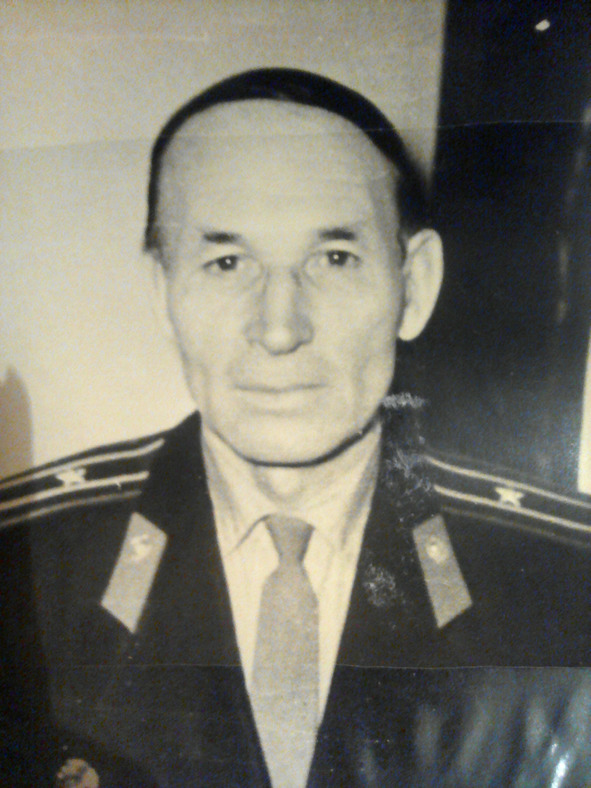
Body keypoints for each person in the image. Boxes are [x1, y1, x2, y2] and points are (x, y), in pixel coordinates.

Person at [1, 68, 591, 788]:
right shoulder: (23, 566)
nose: (279, 328)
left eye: (333, 259)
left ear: (414, 286)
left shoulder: (567, 581)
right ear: (164, 294)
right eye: (226, 262)